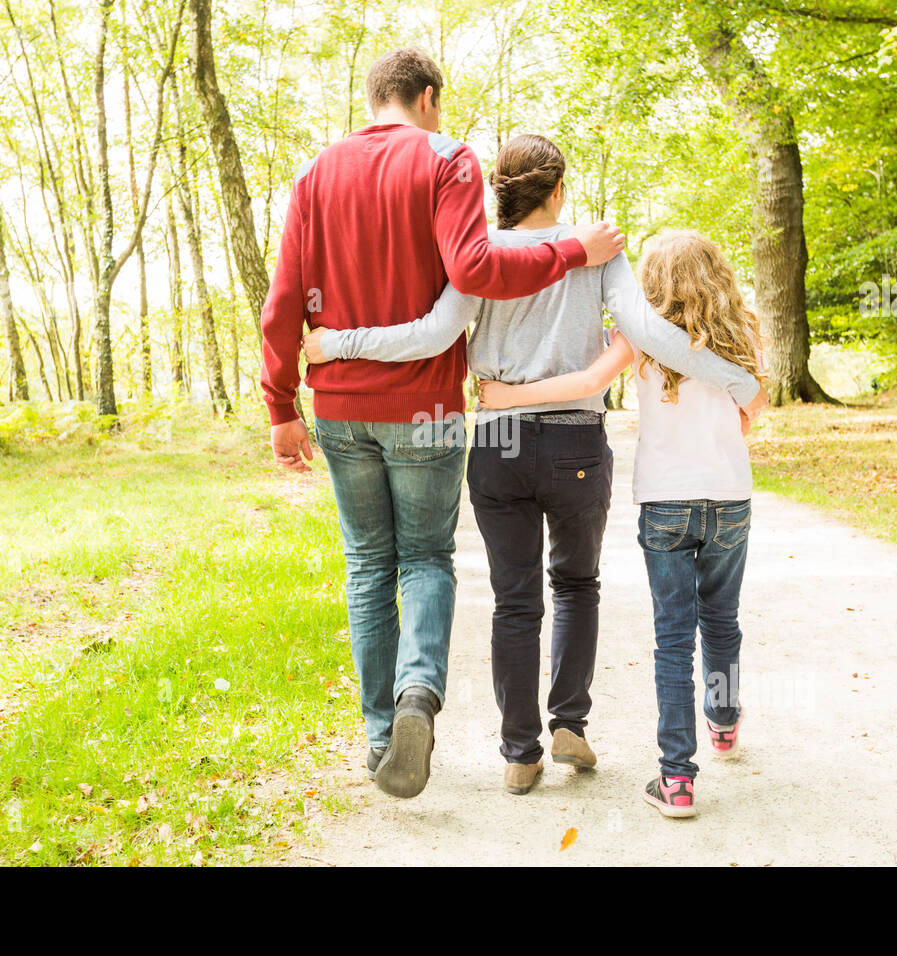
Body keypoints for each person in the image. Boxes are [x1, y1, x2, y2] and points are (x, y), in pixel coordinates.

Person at [305, 138, 768, 796]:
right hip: (575, 444)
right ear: (556, 191)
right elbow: (652, 332)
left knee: (513, 602)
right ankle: (568, 722)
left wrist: (338, 344)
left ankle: (520, 750)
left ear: (502, 191)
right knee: (577, 585)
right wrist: (738, 381)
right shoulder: (596, 251)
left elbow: (431, 335)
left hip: (500, 443)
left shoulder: (478, 257)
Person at [260, 49, 627, 800]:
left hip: (336, 405)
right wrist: (571, 251)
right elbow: (477, 271)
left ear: (374, 99)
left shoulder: (314, 174)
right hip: (422, 407)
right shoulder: (447, 159)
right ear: (426, 97)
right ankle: (417, 698)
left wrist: (279, 405)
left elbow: (283, 301)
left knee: (367, 567)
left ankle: (378, 739)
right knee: (426, 558)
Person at [477, 230, 763, 817]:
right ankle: (725, 719)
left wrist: (508, 396)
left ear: (652, 282)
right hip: (730, 499)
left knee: (674, 639)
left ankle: (677, 780)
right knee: (722, 621)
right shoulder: (744, 336)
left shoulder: (639, 338)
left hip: (665, 505)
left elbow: (585, 386)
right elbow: (748, 417)